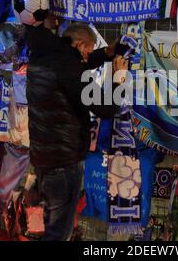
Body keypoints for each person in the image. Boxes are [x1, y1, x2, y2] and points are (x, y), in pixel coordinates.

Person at [24, 21, 127, 241]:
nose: (89, 56)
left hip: (43, 158)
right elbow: (106, 107)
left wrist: (107, 53)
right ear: (79, 45)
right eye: (88, 50)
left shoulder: (42, 57)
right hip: (63, 163)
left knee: (49, 228)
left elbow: (76, 67)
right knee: (58, 234)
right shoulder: (69, 68)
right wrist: (120, 78)